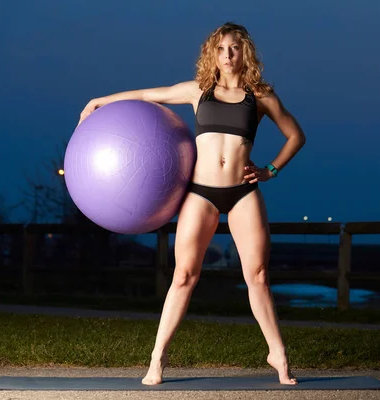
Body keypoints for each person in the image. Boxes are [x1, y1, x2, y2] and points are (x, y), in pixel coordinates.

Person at [77, 22, 305, 385]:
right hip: (201, 193)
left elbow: (296, 135)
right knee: (184, 275)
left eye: (233, 48)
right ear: (212, 54)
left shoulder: (260, 96)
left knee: (258, 276)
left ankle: (277, 354)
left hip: (243, 193)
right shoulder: (200, 91)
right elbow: (152, 94)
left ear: (245, 52)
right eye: (220, 49)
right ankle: (158, 358)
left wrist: (270, 170)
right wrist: (101, 100)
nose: (227, 55)